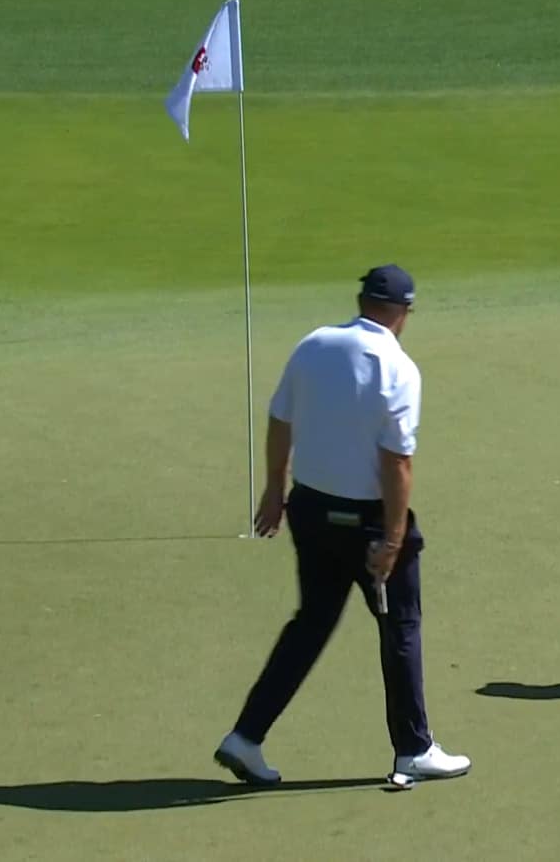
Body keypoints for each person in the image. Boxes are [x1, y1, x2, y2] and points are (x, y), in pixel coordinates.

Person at [213, 264, 471, 786]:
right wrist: (393, 539)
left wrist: (273, 490)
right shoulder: (398, 368)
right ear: (404, 313)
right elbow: (397, 463)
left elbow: (280, 418)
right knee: (400, 625)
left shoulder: (314, 344)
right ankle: (413, 750)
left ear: (361, 300)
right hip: (369, 523)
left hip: (310, 511)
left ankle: (246, 736)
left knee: (311, 624)